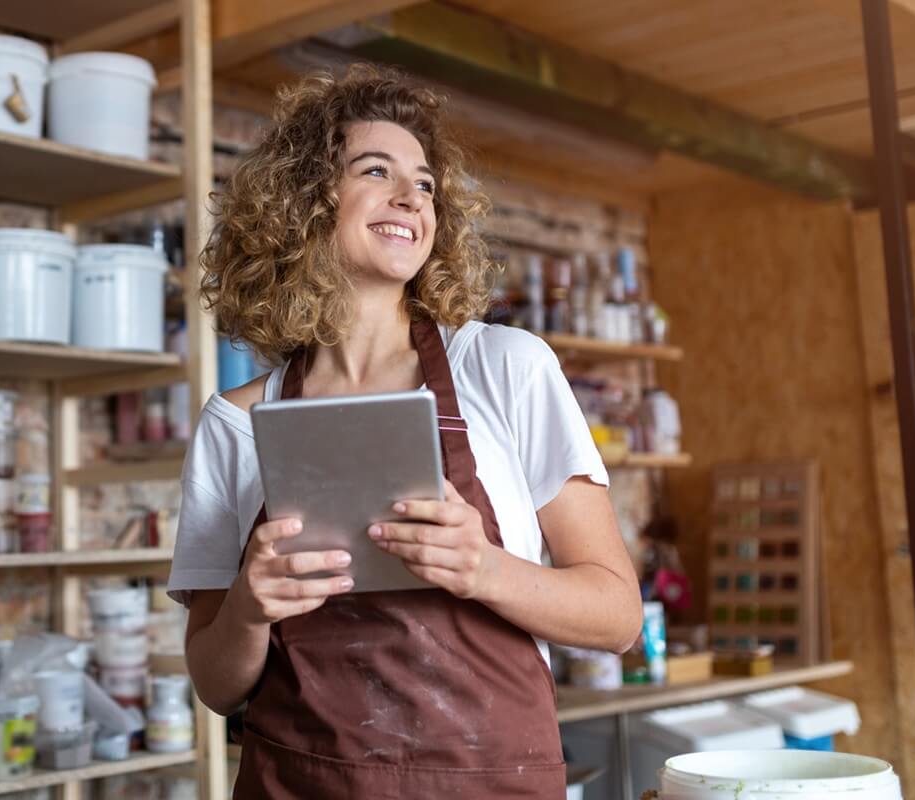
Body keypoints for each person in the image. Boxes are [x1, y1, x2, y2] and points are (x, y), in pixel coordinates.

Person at [167, 65, 643, 798]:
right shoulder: (236, 422)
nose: (408, 198)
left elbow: (617, 617)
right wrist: (248, 606)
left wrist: (484, 568)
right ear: (306, 203)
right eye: (376, 170)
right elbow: (216, 684)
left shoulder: (505, 368)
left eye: (423, 184)